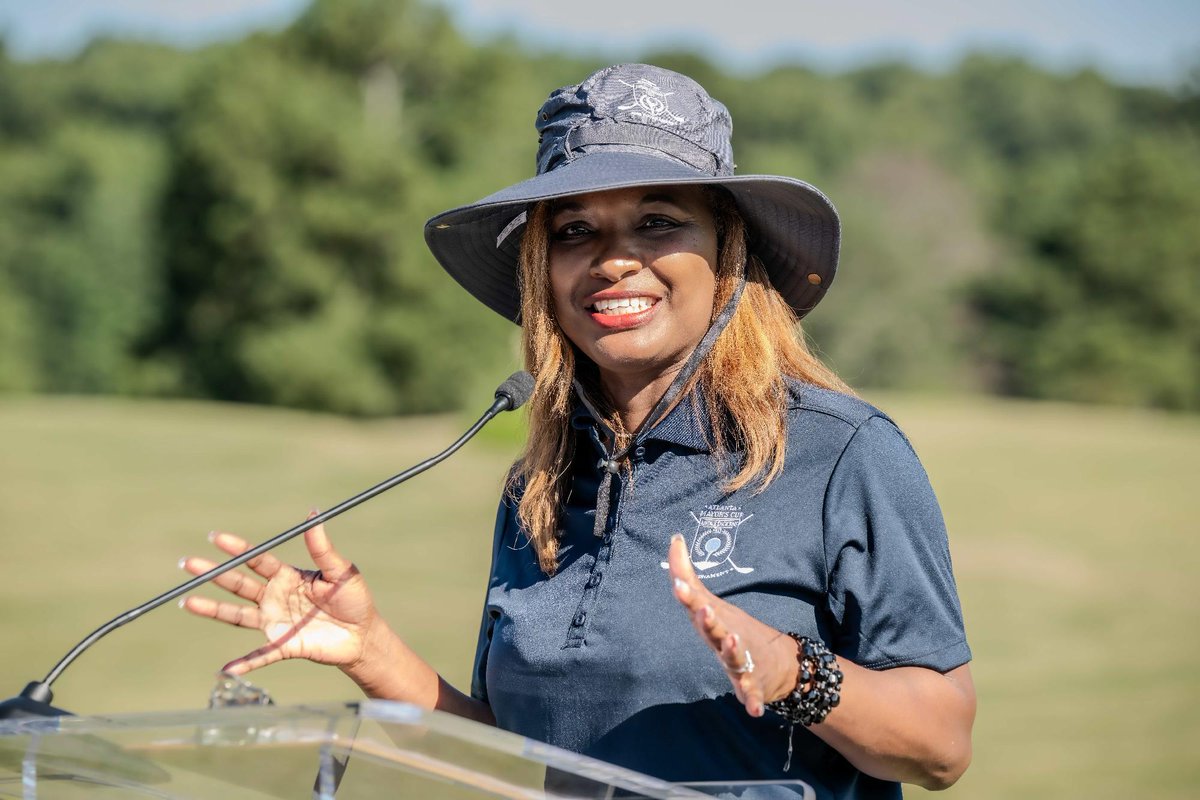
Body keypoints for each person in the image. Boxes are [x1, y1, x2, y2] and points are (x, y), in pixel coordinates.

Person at [181, 64, 975, 798]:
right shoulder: (538, 487)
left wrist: (789, 672)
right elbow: (519, 768)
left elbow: (941, 744)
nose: (613, 261)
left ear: (726, 252)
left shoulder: (841, 454)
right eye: (574, 231)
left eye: (658, 222)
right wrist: (372, 653)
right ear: (542, 271)